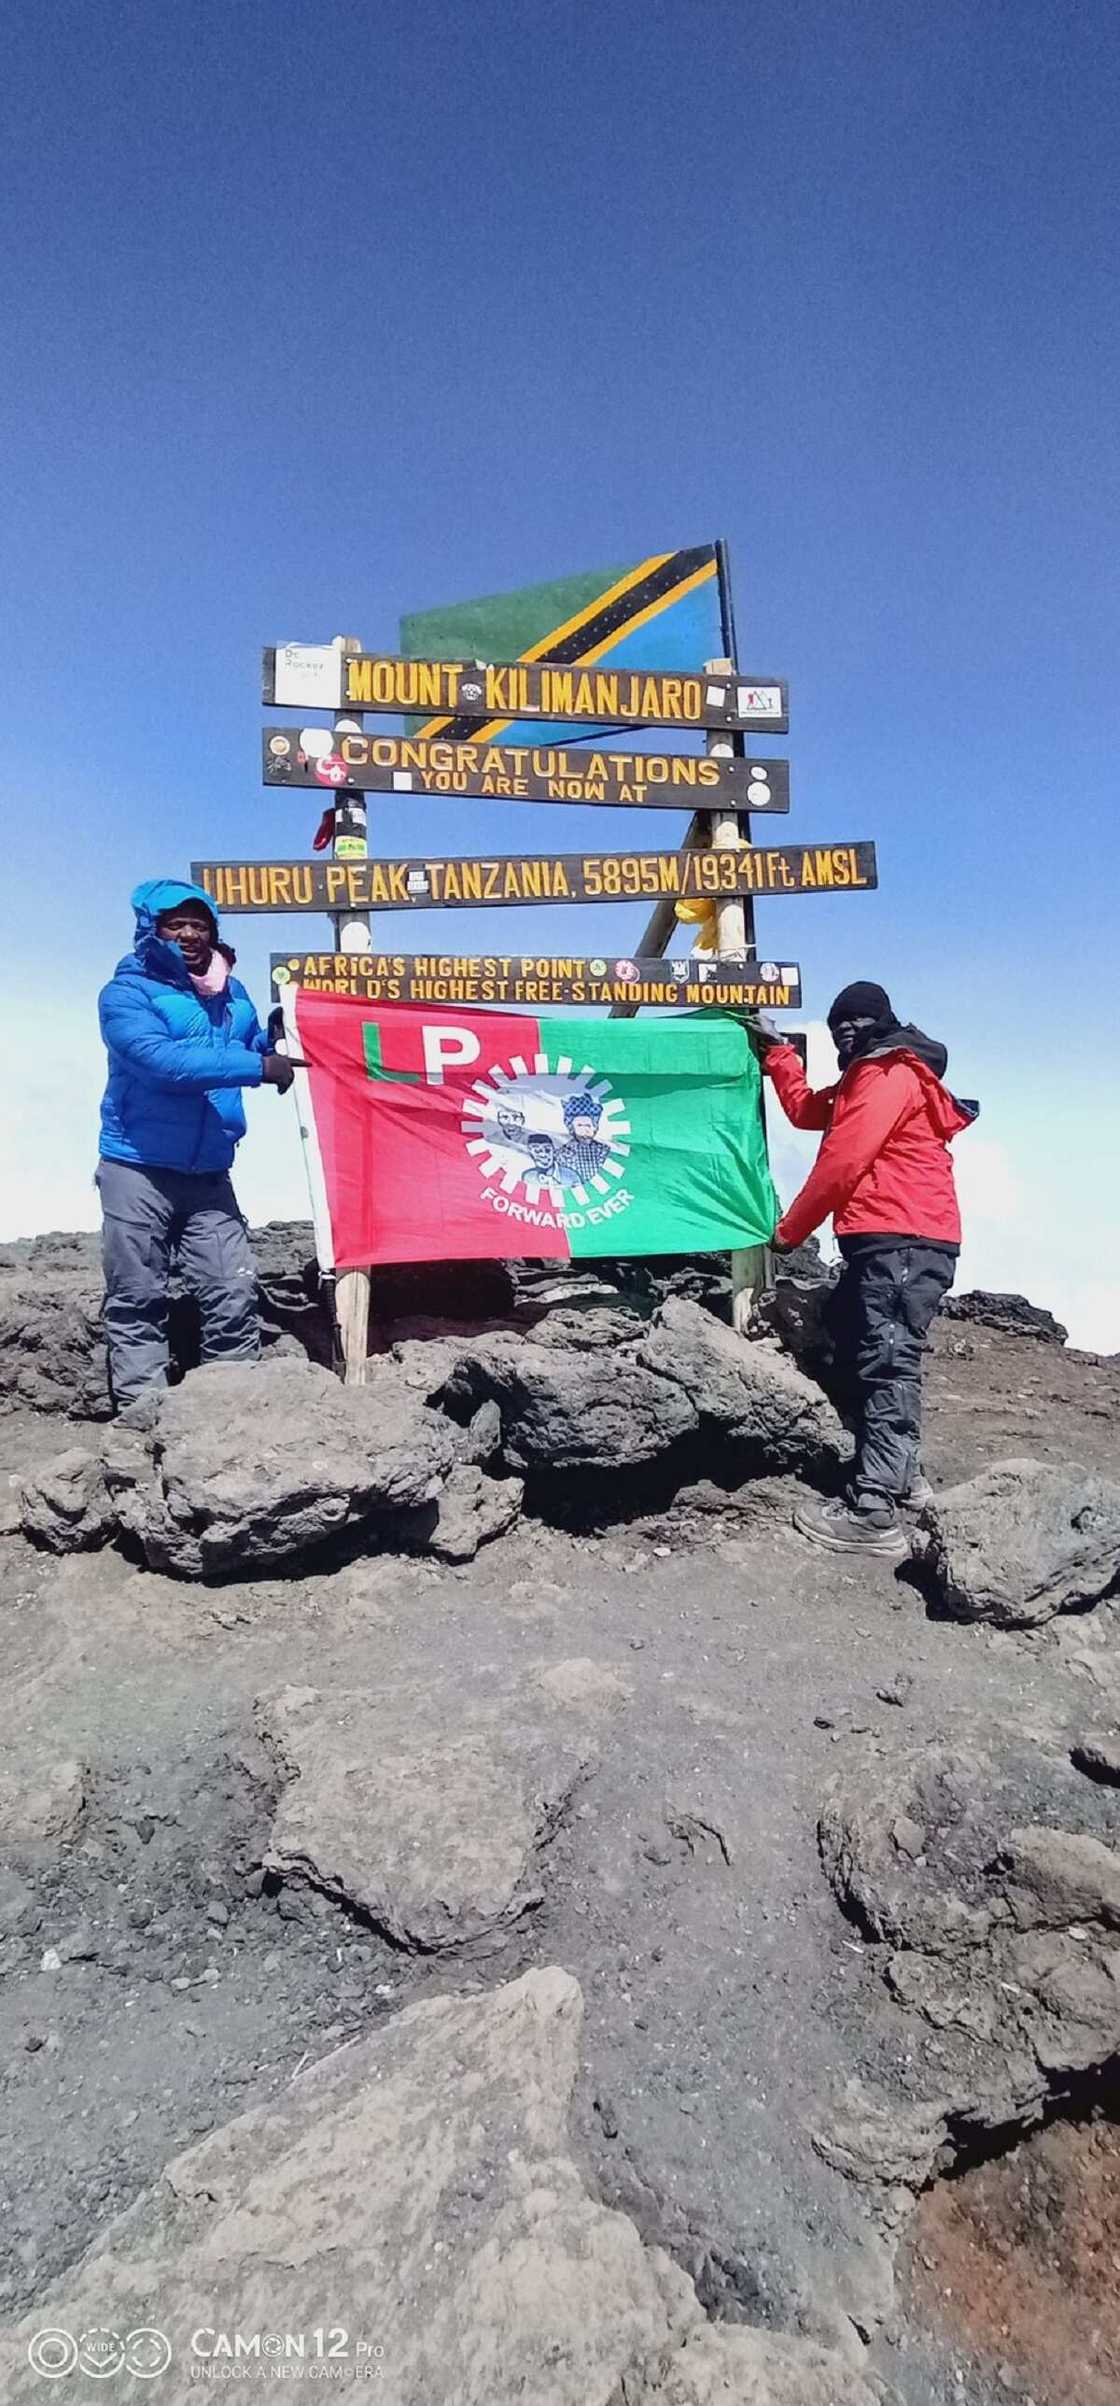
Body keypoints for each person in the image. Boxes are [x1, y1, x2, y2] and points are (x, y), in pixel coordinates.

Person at [757, 981, 977, 1558]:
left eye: (855, 1022)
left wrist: (788, 1233)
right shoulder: (870, 1075)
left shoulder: (887, 1074)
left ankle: (875, 1509)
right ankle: (903, 1479)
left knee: (885, 1362)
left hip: (901, 1240)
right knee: (870, 1352)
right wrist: (779, 1055)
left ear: (883, 1021)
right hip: (894, 1241)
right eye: (836, 1029)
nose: (845, 1034)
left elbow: (843, 1161)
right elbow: (808, 1112)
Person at [97, 879, 293, 1413]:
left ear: (214, 932)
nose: (188, 933)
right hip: (136, 1168)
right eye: (175, 924)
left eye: (199, 924)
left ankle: (229, 1413)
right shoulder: (127, 993)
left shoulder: (234, 993)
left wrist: (275, 1039)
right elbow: (162, 1062)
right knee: (138, 1297)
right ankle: (144, 1421)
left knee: (232, 1290)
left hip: (209, 1171)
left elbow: (252, 1046)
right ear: (151, 930)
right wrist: (258, 1067)